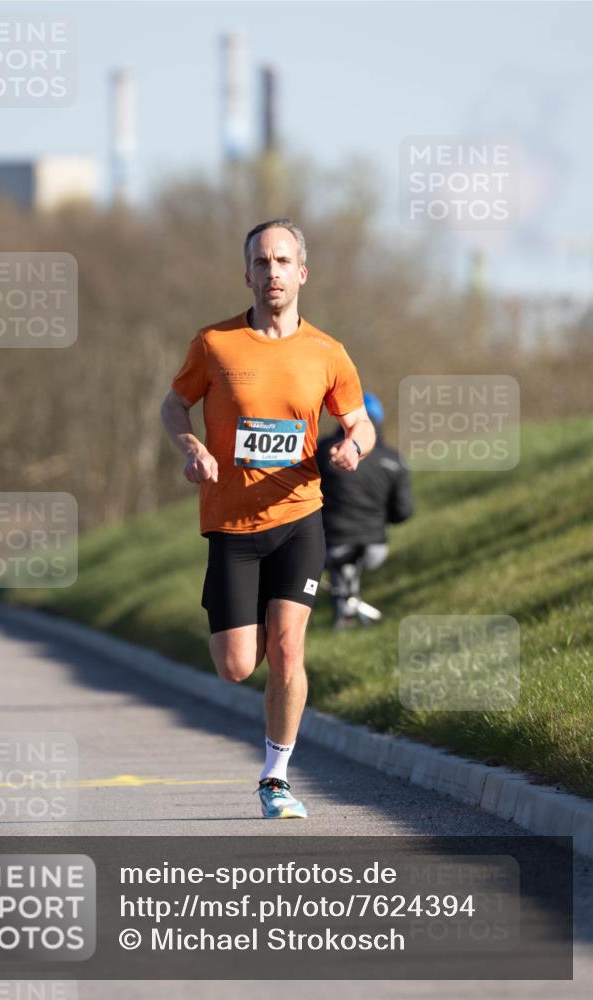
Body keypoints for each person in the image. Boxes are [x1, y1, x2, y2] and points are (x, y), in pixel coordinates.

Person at [160, 218, 375, 819]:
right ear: (246, 273)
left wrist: (353, 446)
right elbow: (175, 403)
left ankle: (276, 777)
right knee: (235, 666)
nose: (272, 272)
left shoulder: (327, 353)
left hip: (299, 517)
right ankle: (247, 621)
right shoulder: (215, 344)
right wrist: (193, 448)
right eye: (261, 262)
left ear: (301, 273)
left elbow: (361, 419)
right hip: (230, 525)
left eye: (283, 261)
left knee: (287, 650)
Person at [317, 392, 413, 628]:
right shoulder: (394, 460)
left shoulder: (322, 451)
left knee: (342, 556)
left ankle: (346, 614)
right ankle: (350, 609)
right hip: (375, 548)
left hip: (331, 545)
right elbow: (403, 511)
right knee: (348, 559)